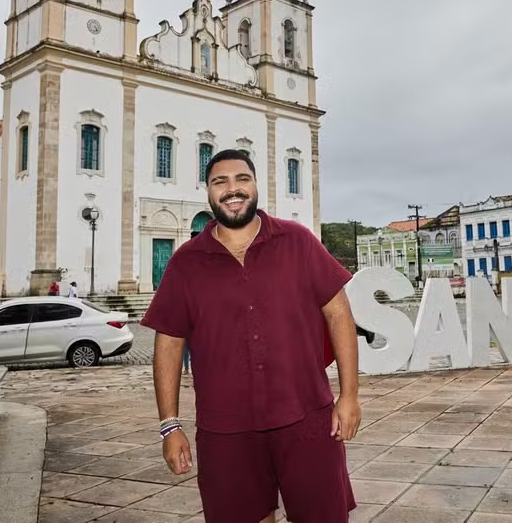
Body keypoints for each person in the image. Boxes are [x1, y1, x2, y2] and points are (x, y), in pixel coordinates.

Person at [141, 149, 360, 523]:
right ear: (208, 193)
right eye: (219, 182)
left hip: (306, 416)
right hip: (226, 430)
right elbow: (169, 344)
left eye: (242, 179)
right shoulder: (185, 262)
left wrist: (350, 396)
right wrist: (170, 425)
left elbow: (339, 315)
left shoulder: (298, 242)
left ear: (256, 185)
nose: (232, 189)